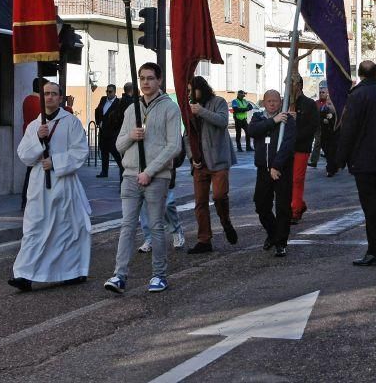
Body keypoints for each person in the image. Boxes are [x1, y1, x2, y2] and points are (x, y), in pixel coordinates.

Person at [104, 63, 182, 295]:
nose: (146, 83)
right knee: (127, 225)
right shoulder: (131, 110)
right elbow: (118, 145)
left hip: (156, 177)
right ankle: (119, 275)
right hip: (129, 175)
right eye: (142, 79)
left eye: (150, 78)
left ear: (159, 81)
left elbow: (174, 146)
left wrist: (150, 171)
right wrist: (131, 135)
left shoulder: (170, 108)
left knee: (156, 226)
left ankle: (159, 275)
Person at [8, 81, 90, 292]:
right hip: (39, 186)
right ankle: (24, 275)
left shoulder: (71, 122)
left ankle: (72, 271)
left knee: (67, 230)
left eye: (54, 94)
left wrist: (56, 162)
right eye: (46, 94)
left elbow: (81, 151)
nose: (50, 97)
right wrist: (37, 138)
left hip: (64, 184)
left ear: (61, 98)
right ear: (41, 98)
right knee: (33, 229)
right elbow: (24, 155)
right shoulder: (35, 126)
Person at [335, 61, 376, 266]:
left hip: (363, 160)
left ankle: (374, 249)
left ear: (361, 75)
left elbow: (349, 130)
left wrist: (339, 159)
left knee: (370, 206)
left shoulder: (356, 96)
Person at [185, 76, 239, 254]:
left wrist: (201, 111)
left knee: (219, 196)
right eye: (189, 90)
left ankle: (226, 223)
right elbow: (187, 136)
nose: (191, 94)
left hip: (218, 160)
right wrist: (192, 156)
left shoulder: (219, 102)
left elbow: (223, 121)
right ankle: (204, 240)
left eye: (194, 90)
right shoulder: (190, 107)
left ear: (202, 88)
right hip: (199, 163)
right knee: (200, 203)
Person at [248, 89, 296, 257]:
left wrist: (277, 165)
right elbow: (252, 131)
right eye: (269, 101)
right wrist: (273, 121)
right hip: (263, 169)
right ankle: (273, 233)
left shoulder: (288, 120)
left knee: (283, 207)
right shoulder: (258, 117)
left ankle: (281, 242)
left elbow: (288, 145)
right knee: (261, 205)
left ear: (280, 101)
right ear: (264, 102)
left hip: (281, 170)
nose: (272, 103)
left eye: (275, 101)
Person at [288, 74, 320, 225]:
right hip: (286, 148)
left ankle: (295, 210)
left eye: (291, 84)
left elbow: (312, 126)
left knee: (297, 179)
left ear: (299, 85)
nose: (288, 88)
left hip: (301, 147)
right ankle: (298, 205)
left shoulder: (309, 104)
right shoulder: (285, 103)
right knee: (286, 180)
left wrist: (297, 121)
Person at [19, 77, 44, 212]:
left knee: (29, 171)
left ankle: (24, 200)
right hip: (37, 140)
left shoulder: (27, 100)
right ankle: (29, 200)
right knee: (34, 173)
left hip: (27, 138)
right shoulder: (39, 103)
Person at [95, 84, 124, 179]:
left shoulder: (118, 102)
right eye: (107, 91)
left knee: (115, 152)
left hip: (112, 133)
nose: (108, 93)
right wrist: (99, 122)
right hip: (103, 131)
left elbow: (119, 118)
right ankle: (104, 171)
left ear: (115, 92)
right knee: (103, 151)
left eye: (110, 91)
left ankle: (123, 168)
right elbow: (98, 111)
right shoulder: (103, 99)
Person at [310, 87, 332, 168]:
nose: (321, 94)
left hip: (327, 127)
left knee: (326, 144)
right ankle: (314, 161)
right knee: (318, 142)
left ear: (327, 93)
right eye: (320, 92)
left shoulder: (329, 103)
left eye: (323, 92)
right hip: (318, 126)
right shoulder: (316, 103)